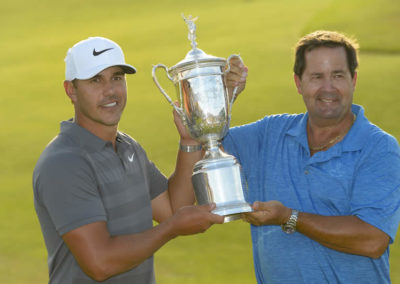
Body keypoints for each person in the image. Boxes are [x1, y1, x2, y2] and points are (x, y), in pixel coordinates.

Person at [32, 36, 246, 283]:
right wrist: (170, 229)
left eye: (117, 78)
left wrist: (190, 142)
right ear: (71, 90)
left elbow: (174, 210)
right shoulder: (64, 163)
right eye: (95, 80)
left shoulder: (127, 146)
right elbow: (100, 263)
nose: (110, 91)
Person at [219, 31, 400, 283]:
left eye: (338, 75)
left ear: (354, 80)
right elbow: (206, 148)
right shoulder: (269, 134)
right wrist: (221, 99)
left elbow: (372, 239)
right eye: (316, 77)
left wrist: (290, 217)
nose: (328, 88)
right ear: (298, 83)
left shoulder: (379, 147)